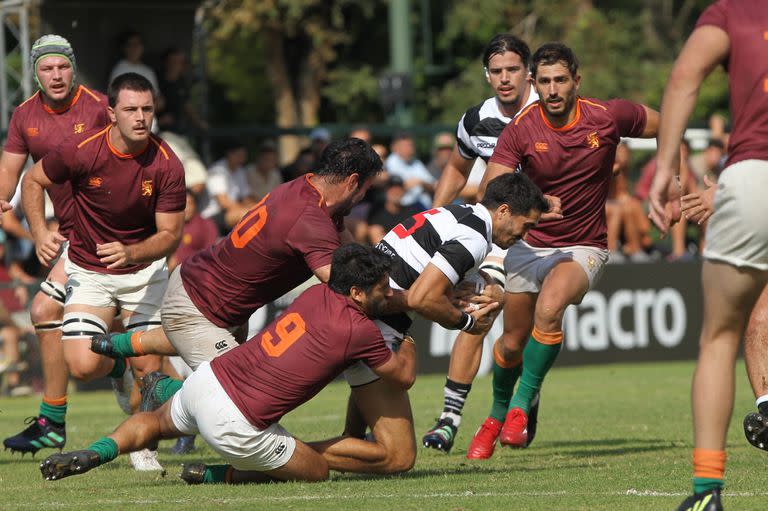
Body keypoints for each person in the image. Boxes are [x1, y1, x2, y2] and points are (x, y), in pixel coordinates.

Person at [39, 244, 416, 484]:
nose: (390, 294)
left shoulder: (318, 293)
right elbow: (404, 377)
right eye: (383, 288)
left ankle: (95, 452)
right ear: (355, 292)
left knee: (154, 423)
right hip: (235, 422)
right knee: (316, 469)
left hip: (212, 379)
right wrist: (407, 326)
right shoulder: (360, 329)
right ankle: (223, 474)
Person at [467, 42, 659, 460]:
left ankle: (520, 405)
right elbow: (490, 191)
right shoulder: (521, 127)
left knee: (551, 307)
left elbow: (669, 125)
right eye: (545, 81)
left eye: (561, 80)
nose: (553, 90)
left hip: (584, 246)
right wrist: (533, 204)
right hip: (529, 246)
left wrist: (675, 181)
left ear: (576, 80)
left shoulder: (607, 115)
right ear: (535, 83)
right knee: (512, 345)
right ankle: (498, 413)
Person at [21, 72, 186, 470]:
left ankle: (144, 439)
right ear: (111, 113)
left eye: (147, 109)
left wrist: (131, 252)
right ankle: (117, 365)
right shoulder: (81, 149)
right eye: (131, 109)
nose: (141, 117)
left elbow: (170, 235)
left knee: (149, 375)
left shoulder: (167, 163)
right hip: (90, 273)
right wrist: (40, 230)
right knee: (82, 365)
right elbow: (33, 179)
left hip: (144, 275)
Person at [647, 2, 768, 509]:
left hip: (755, 176)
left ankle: (706, 493)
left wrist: (663, 169)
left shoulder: (735, 10)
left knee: (719, 335)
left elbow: (684, 77)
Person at [341, 172, 549, 457]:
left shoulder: (461, 213)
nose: (524, 236)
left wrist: (490, 291)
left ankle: (349, 439)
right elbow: (422, 298)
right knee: (399, 455)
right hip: (373, 321)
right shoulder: (474, 238)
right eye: (525, 226)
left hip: (363, 313)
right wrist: (467, 322)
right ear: (504, 211)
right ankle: (312, 454)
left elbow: (454, 283)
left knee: (382, 382)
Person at [421, 34, 542, 453]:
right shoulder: (475, 120)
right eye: (496, 71)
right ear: (486, 75)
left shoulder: (549, 107)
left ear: (528, 70)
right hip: (494, 234)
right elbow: (457, 169)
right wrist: (434, 218)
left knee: (516, 339)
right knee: (479, 309)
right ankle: (449, 420)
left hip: (543, 234)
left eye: (512, 70)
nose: (505, 79)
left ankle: (523, 395)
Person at [1, 34, 111, 455]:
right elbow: (10, 173)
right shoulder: (24, 115)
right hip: (75, 235)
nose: (56, 74)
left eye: (62, 66)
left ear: (73, 67)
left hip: (113, 231)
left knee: (136, 336)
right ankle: (52, 421)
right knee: (46, 312)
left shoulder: (101, 106)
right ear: (36, 73)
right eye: (47, 68)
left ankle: (178, 401)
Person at [385, 132, 435, 210]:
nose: (410, 149)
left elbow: (433, 185)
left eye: (411, 145)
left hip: (422, 206)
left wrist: (421, 183)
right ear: (395, 147)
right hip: (402, 208)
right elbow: (395, 187)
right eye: (405, 146)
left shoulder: (416, 162)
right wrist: (412, 184)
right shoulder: (391, 162)